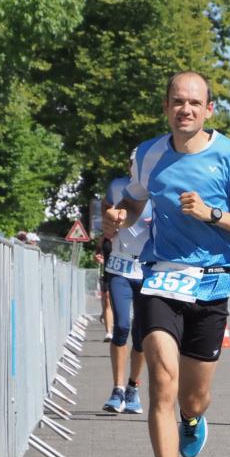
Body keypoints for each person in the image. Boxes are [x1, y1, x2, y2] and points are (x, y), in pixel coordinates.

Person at [104, 71, 230, 457]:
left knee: (193, 398)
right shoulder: (149, 153)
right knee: (162, 380)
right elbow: (136, 200)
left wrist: (213, 214)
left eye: (195, 103)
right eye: (178, 101)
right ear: (166, 106)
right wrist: (122, 213)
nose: (186, 110)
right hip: (161, 279)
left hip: (213, 284)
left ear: (209, 109)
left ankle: (193, 421)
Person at [100, 173, 152, 414]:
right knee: (122, 326)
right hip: (119, 266)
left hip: (146, 270)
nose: (136, 170)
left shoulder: (160, 189)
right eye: (133, 164)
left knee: (141, 336)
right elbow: (105, 209)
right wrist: (107, 227)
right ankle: (117, 388)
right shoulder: (118, 185)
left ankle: (132, 387)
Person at [94, 235, 115, 342]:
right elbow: (97, 253)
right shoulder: (103, 238)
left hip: (124, 273)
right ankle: (109, 332)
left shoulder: (126, 235)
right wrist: (98, 258)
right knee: (107, 299)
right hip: (108, 273)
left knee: (115, 303)